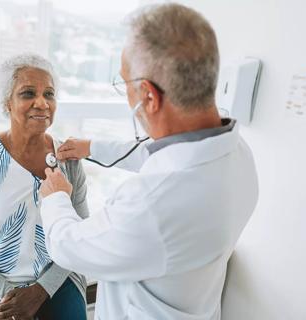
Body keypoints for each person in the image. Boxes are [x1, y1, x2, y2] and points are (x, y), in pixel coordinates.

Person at [39, 3, 259, 320]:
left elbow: (68, 246)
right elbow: (164, 157)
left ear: (148, 96)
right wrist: (92, 147)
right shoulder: (237, 154)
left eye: (123, 84)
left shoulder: (150, 205)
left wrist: (57, 197)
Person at [0, 54, 89, 320]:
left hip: (58, 278)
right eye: (28, 93)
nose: (42, 102)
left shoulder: (68, 160)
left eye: (49, 93)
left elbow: (79, 233)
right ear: (7, 103)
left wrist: (41, 290)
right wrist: (7, 296)